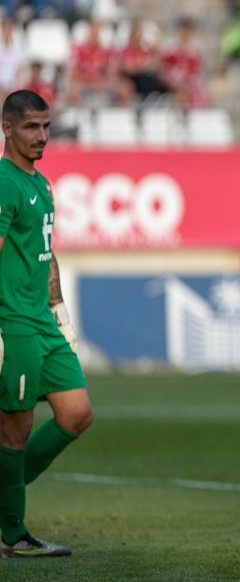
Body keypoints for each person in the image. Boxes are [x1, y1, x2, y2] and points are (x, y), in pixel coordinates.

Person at [0, 89, 93, 556]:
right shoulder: (3, 183)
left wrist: (59, 311)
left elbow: (46, 251)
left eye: (46, 126)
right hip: (12, 324)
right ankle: (12, 534)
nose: (42, 136)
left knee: (77, 413)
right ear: (8, 129)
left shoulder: (41, 183)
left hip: (43, 323)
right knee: (13, 431)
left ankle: (2, 499)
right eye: (31, 127)